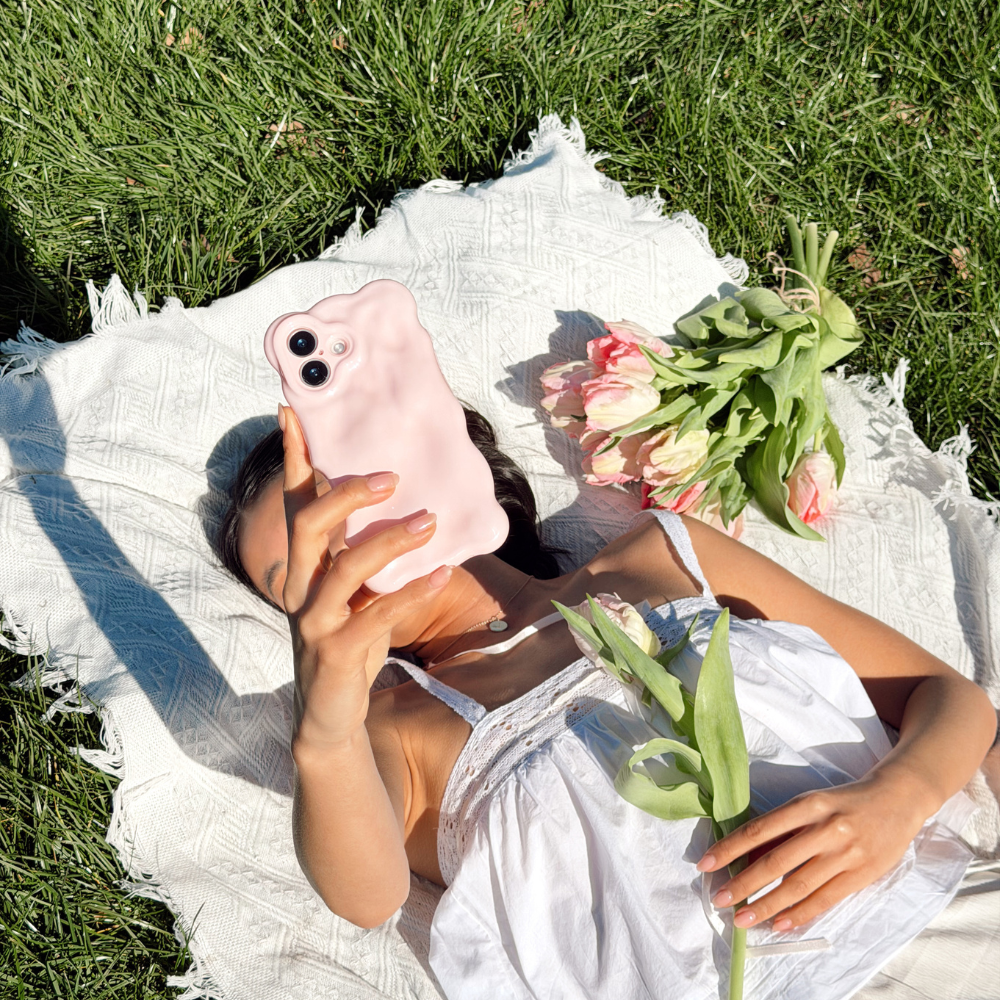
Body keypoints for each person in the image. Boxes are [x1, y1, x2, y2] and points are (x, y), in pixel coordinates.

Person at [219, 403, 996, 1000]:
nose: (332, 570)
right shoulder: (388, 731)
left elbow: (947, 697)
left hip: (940, 910)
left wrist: (898, 797)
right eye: (292, 581)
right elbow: (365, 895)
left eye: (326, 515)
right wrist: (322, 733)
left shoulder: (662, 556)